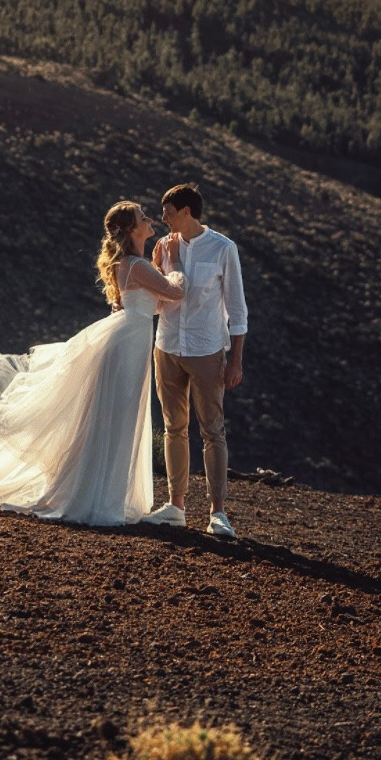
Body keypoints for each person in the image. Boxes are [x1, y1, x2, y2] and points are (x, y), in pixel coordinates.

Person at [0, 202, 184, 527]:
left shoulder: (133, 265)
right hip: (127, 347)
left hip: (128, 343)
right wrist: (175, 265)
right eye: (143, 217)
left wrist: (162, 270)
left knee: (115, 418)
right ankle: (98, 497)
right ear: (134, 230)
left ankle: (100, 492)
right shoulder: (136, 264)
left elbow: (156, 305)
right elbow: (175, 293)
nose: (150, 220)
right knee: (117, 417)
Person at [144, 182, 247, 539]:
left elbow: (236, 308)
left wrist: (235, 361)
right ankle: (176, 506)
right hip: (167, 345)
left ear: (187, 211)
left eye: (168, 212)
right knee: (173, 427)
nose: (162, 218)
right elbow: (157, 295)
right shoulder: (162, 247)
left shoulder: (223, 248)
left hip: (206, 350)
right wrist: (163, 263)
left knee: (212, 430)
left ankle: (218, 512)